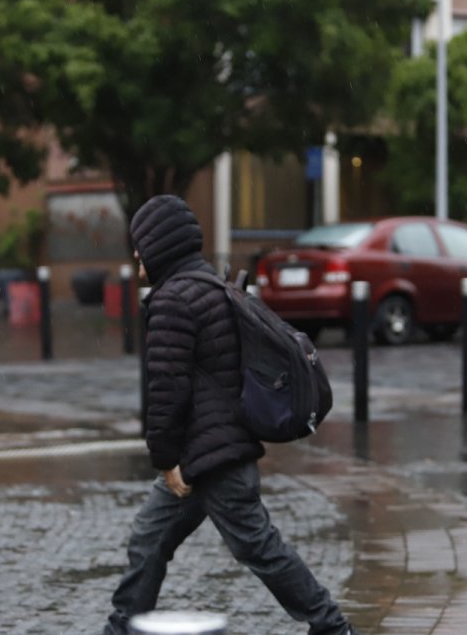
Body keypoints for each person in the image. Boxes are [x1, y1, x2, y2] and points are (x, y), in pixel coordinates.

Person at [103, 194, 354, 635]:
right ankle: (121, 628)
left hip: (213, 459)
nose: (136, 252)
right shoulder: (207, 285)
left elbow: (167, 387)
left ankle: (331, 626)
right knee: (150, 539)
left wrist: (164, 459)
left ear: (160, 244)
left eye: (140, 242)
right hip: (208, 450)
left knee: (259, 548)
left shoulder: (174, 301)